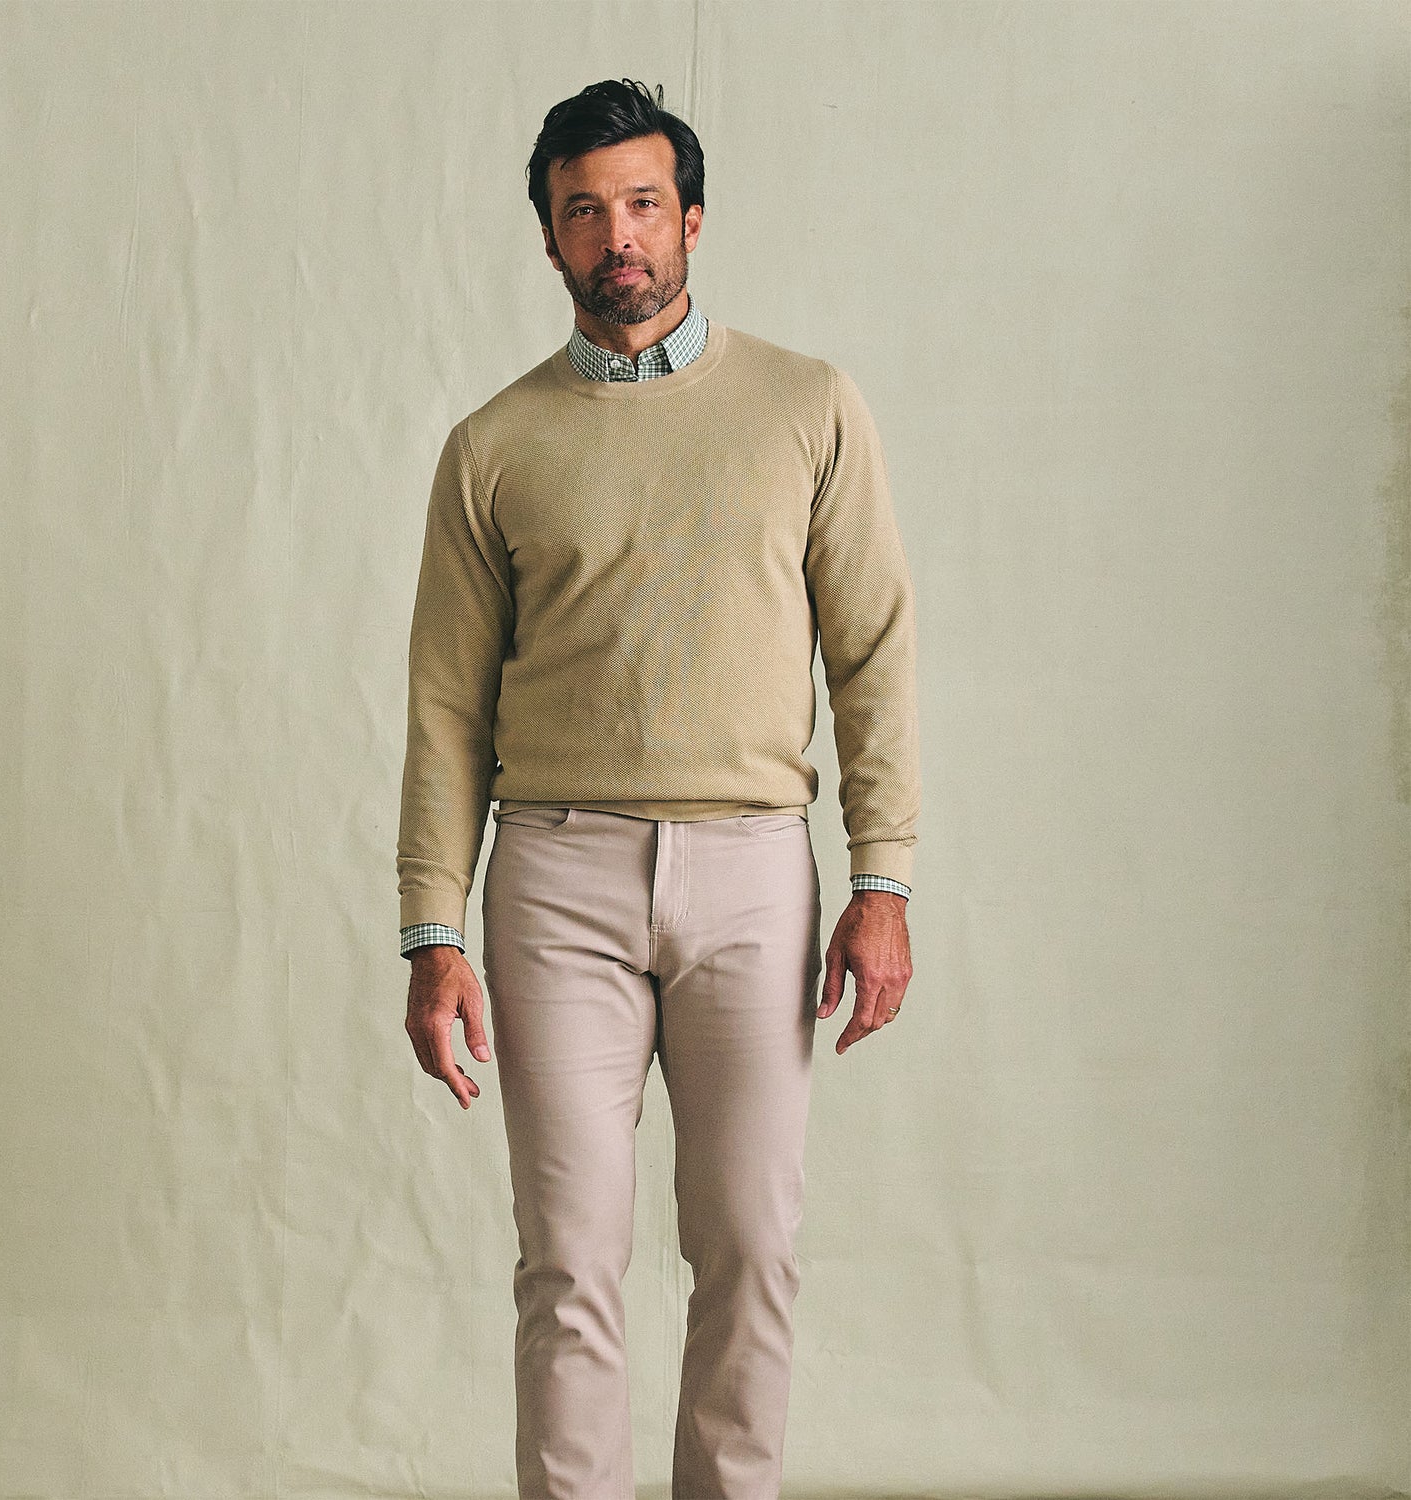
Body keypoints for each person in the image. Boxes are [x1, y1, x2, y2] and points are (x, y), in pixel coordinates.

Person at [397, 77, 918, 1500]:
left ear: (691, 219)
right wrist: (432, 933)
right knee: (567, 1261)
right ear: (548, 240)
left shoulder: (807, 408)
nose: (614, 235)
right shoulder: (494, 447)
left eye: (640, 204)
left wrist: (881, 881)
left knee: (750, 1246)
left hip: (754, 868)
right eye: (583, 212)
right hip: (554, 877)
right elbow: (445, 707)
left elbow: (872, 651)